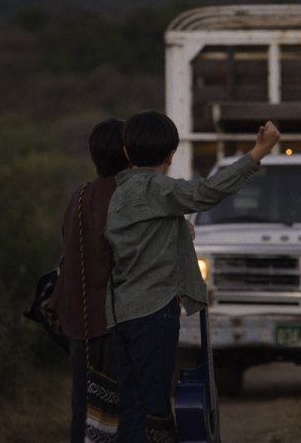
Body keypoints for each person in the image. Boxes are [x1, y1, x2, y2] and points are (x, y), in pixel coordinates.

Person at [105, 110, 280, 442]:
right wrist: (258, 152)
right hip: (153, 312)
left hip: (120, 313)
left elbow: (138, 240)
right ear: (171, 155)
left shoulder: (119, 194)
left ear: (127, 153)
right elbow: (208, 192)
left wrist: (178, 230)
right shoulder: (157, 189)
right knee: (155, 412)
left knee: (131, 409)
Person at [48, 118, 128, 443]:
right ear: (127, 152)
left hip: (78, 319)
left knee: (82, 408)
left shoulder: (79, 196)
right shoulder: (125, 196)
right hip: (114, 322)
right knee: (119, 410)